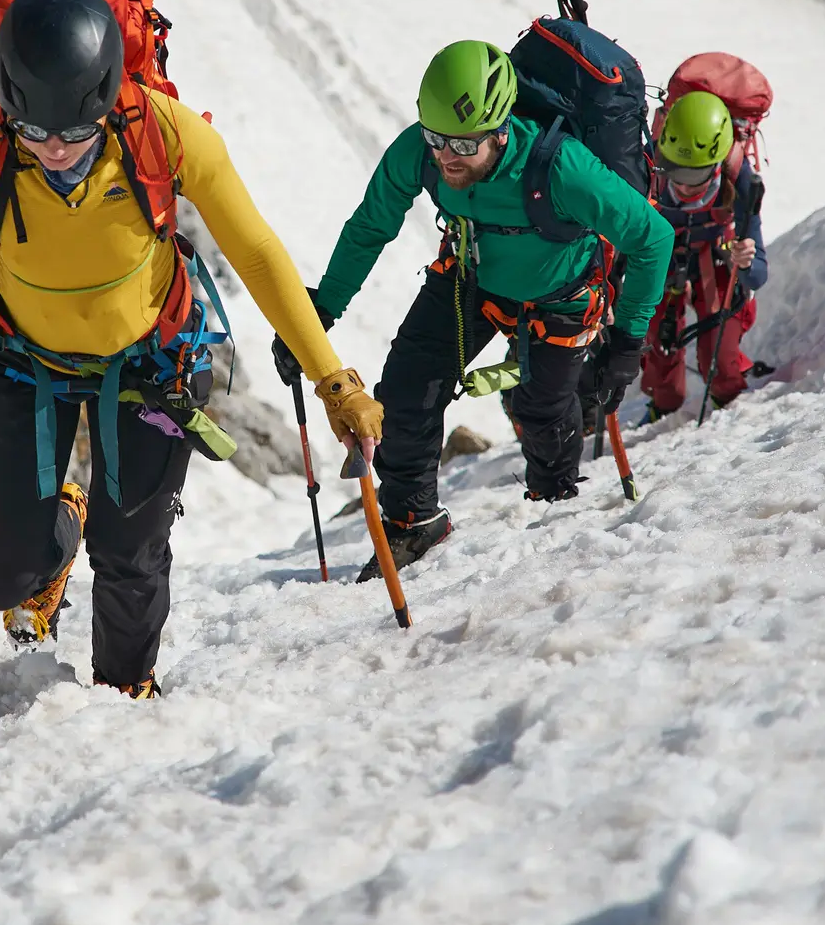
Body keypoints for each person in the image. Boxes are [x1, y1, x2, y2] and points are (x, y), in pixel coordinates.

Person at [0, 0, 382, 698]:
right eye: (35, 132)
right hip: (15, 362)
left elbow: (256, 253)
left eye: (75, 133)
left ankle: (127, 701)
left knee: (132, 558)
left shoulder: (167, 133)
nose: (56, 150)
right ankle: (61, 521)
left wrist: (333, 379)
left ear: (107, 102)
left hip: (150, 365)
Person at [278, 41, 672, 578]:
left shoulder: (562, 168)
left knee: (541, 411)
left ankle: (557, 501)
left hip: (562, 296)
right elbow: (372, 225)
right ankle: (414, 524)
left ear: (501, 128)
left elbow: (653, 238)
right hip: (471, 278)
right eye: (436, 138)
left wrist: (628, 342)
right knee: (406, 388)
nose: (445, 156)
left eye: (462, 144)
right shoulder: (419, 150)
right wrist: (320, 310)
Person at [639, 90, 768, 421]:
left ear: (717, 164)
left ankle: (727, 398)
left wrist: (746, 260)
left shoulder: (740, 178)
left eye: (694, 175)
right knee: (658, 344)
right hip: (660, 260)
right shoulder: (644, 166)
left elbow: (758, 275)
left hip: (714, 256)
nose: (683, 186)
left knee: (721, 357)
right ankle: (663, 407)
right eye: (675, 170)